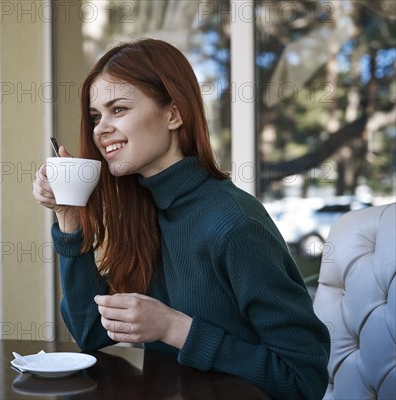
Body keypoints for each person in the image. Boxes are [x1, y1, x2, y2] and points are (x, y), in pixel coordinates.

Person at [32, 38, 330, 400]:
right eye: (96, 116)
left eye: (119, 109)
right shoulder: (147, 213)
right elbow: (92, 331)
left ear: (174, 114)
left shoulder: (235, 225)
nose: (100, 129)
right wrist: (70, 219)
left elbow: (303, 380)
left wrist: (174, 328)